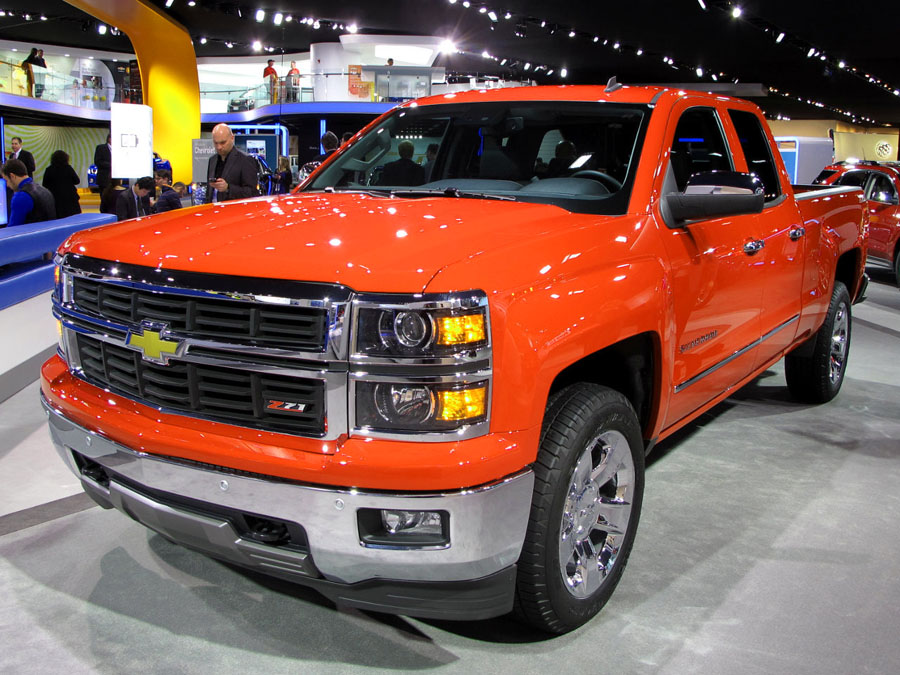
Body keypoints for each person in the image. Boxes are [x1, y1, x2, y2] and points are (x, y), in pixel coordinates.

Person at [206, 123, 258, 203]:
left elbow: (252, 193)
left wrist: (228, 188)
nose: (219, 147)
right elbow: (209, 192)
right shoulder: (212, 160)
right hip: (213, 208)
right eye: (216, 143)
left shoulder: (245, 160)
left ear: (232, 138)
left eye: (223, 143)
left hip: (234, 209)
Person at [1, 158, 56, 226]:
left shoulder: (21, 197)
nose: (7, 185)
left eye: (6, 180)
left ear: (12, 176)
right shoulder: (45, 191)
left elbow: (13, 229)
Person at [41, 150, 81, 218]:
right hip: (70, 197)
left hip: (55, 198)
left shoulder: (49, 169)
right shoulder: (68, 168)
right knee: (73, 218)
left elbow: (44, 184)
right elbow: (77, 181)